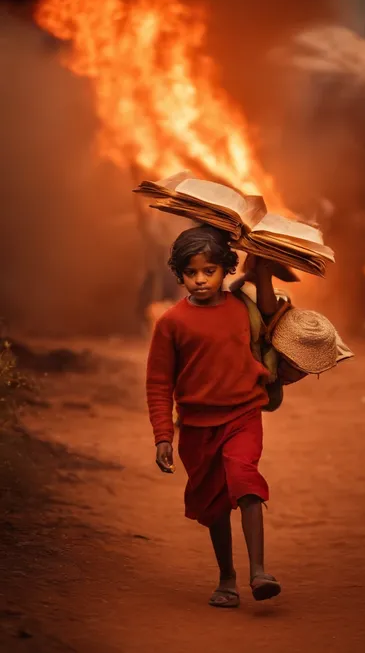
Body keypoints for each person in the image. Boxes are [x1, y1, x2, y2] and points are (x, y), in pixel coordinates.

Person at [146, 225, 282, 609]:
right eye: (192, 272)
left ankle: (259, 572)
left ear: (225, 269)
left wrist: (262, 271)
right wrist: (162, 436)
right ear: (180, 274)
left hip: (243, 415)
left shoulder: (244, 307)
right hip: (194, 428)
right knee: (214, 503)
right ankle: (227, 578)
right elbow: (158, 383)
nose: (201, 279)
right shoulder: (171, 323)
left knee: (245, 478)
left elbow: (271, 316)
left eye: (209, 271)